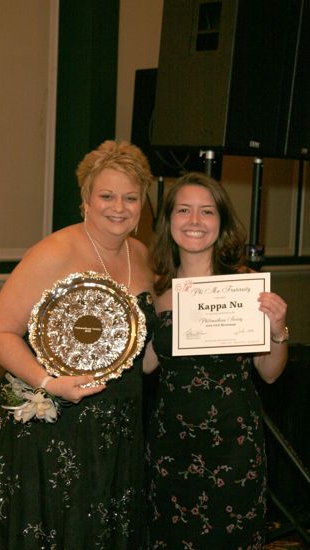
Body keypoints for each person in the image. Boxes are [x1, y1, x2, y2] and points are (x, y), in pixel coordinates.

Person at [0, 140, 156, 550]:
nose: (119, 207)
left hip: (116, 423)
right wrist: (48, 383)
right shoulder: (54, 252)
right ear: (85, 199)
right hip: (53, 422)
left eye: (131, 197)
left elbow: (143, 350)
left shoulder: (141, 254)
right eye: (107, 196)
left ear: (142, 203)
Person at [143, 172, 288, 549]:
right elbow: (145, 367)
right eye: (184, 210)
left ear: (221, 223)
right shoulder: (155, 290)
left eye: (207, 211)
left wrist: (277, 330)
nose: (194, 221)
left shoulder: (245, 285)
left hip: (233, 443)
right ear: (169, 221)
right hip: (171, 445)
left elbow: (269, 373)